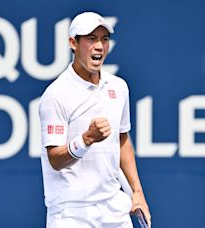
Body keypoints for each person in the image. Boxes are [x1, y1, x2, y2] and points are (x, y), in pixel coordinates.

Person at [39, 11, 151, 228]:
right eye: (91, 39)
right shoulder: (56, 95)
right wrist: (86, 140)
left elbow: (122, 139)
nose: (99, 46)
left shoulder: (119, 88)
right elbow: (55, 159)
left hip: (113, 206)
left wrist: (137, 192)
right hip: (71, 212)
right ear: (73, 43)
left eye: (104, 39)